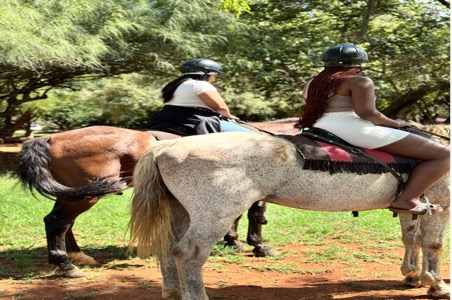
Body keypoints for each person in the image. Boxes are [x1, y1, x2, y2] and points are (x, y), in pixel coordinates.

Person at [295, 44, 450, 215]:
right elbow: (367, 113)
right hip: (351, 128)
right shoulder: (359, 81)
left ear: (326, 63)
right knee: (444, 154)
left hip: (319, 127)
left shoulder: (312, 83)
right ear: (357, 65)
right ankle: (408, 199)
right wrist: (396, 124)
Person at [145, 58, 257, 136]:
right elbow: (220, 107)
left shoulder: (176, 84)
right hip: (195, 119)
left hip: (167, 117)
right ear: (207, 73)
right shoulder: (200, 84)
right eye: (215, 75)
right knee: (256, 138)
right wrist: (229, 116)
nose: (215, 78)